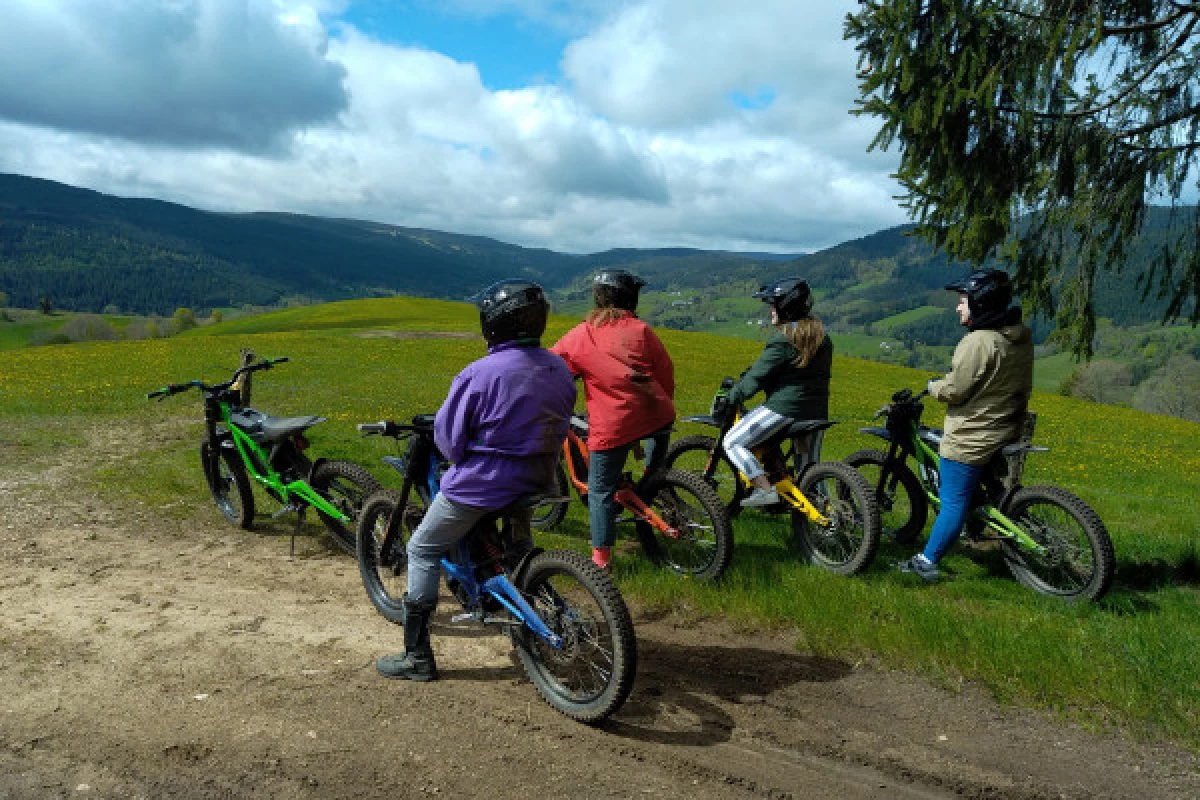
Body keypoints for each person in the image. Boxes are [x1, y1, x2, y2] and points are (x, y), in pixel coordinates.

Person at [376, 280, 576, 682]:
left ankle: (417, 657)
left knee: (422, 548)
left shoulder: (480, 374)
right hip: (540, 478)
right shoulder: (558, 367)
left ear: (493, 325)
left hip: (485, 485)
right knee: (518, 547)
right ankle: (521, 582)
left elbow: (449, 442)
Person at [897, 268, 1034, 581]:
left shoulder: (978, 342)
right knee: (978, 491)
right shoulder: (1018, 336)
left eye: (963, 300)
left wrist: (933, 387)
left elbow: (956, 390)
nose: (958, 307)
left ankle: (926, 562)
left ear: (981, 303)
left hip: (974, 435)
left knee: (952, 500)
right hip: (1006, 427)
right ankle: (978, 524)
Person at [550, 269, 675, 571]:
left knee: (600, 490)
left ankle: (600, 562)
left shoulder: (583, 334)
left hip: (616, 425)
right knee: (652, 470)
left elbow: (553, 367)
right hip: (657, 415)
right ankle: (654, 485)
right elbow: (665, 373)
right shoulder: (642, 330)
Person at [722, 278, 833, 508]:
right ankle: (830, 518)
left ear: (785, 307)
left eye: (774, 305)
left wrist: (730, 397)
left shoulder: (783, 339)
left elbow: (755, 380)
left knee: (732, 442)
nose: (771, 310)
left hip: (786, 408)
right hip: (816, 411)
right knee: (809, 470)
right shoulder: (821, 335)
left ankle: (764, 489)